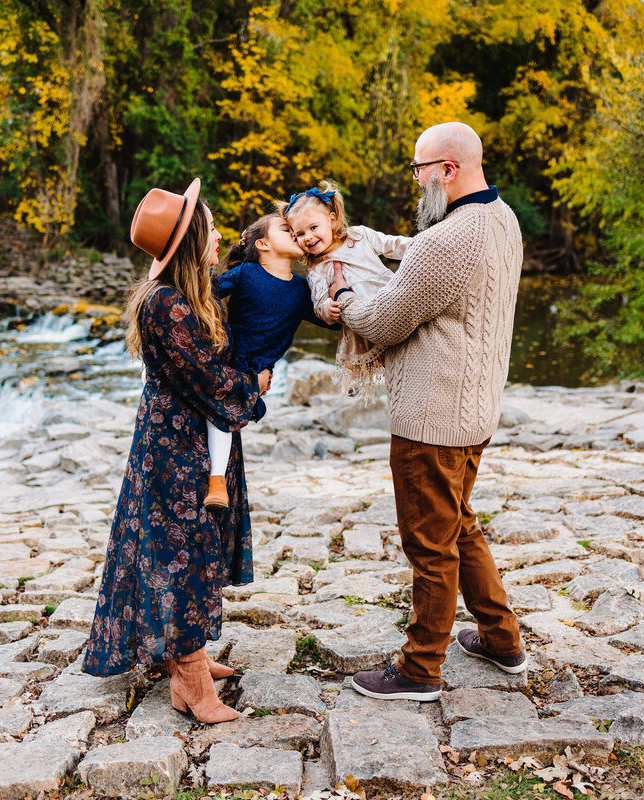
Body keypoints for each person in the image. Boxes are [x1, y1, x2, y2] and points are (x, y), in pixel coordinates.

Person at [328, 122, 527, 701]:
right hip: (475, 410)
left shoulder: (447, 241)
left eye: (419, 169)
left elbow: (387, 319)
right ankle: (501, 638)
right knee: (460, 525)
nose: (417, 181)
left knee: (430, 544)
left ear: (448, 169)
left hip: (433, 419)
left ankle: (420, 670)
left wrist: (345, 301)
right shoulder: (503, 219)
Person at [83, 178, 271, 724]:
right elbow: (210, 381)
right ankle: (189, 679)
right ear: (191, 244)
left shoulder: (189, 294)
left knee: (195, 544)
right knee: (180, 554)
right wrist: (253, 388)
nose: (217, 240)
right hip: (175, 447)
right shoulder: (164, 304)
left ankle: (189, 656)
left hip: (187, 437)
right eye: (210, 233)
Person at [201, 213, 337, 509]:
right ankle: (217, 481)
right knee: (220, 416)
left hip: (260, 369)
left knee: (227, 416)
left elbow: (331, 319)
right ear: (263, 243)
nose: (297, 234)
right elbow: (205, 297)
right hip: (230, 361)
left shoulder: (302, 289)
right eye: (287, 229)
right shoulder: (247, 273)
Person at [281, 181, 413, 400]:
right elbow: (319, 300)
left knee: (408, 355)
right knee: (392, 372)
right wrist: (328, 309)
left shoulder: (359, 236)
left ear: (331, 219)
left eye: (314, 228)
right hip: (363, 323)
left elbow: (394, 245)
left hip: (390, 301)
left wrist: (423, 244)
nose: (309, 237)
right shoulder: (317, 268)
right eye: (300, 234)